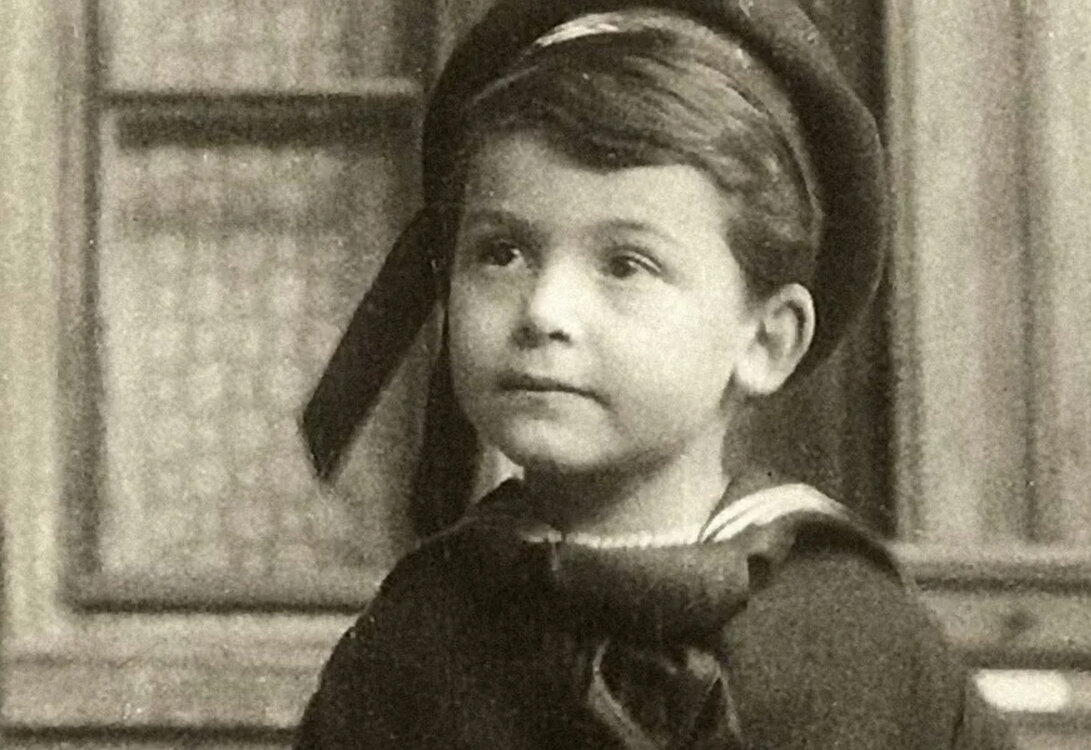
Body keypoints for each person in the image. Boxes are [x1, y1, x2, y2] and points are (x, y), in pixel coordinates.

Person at [295, 1, 1017, 747]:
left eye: (625, 264)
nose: (544, 310)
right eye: (501, 253)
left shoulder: (853, 640)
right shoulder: (418, 636)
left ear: (766, 340)